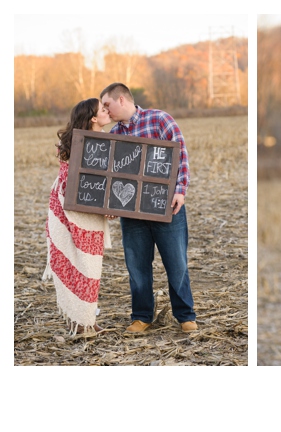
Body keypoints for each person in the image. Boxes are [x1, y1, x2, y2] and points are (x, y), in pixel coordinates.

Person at [99, 82, 198, 333]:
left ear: (121, 100)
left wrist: (180, 191)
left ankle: (185, 315)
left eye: (107, 105)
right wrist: (111, 204)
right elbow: (111, 175)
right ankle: (142, 316)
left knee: (176, 263)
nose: (105, 110)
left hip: (166, 208)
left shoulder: (160, 119)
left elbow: (181, 155)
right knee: (137, 265)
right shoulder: (114, 136)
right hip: (132, 214)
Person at [43, 98, 114, 336]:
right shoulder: (78, 143)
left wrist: (110, 204)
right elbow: (70, 181)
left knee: (90, 266)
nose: (107, 111)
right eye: (103, 110)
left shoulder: (108, 142)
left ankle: (85, 320)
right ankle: (81, 321)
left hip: (91, 213)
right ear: (93, 118)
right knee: (73, 263)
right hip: (70, 208)